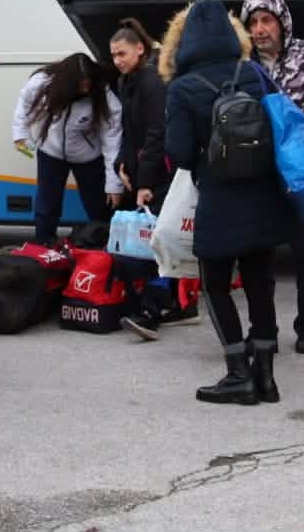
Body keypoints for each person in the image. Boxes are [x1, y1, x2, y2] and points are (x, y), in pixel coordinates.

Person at [163, 0, 295, 405]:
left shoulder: (183, 88)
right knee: (260, 285)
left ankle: (238, 374)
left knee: (216, 286)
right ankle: (267, 377)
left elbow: (179, 153)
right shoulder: (255, 73)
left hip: (218, 200)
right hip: (264, 197)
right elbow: (281, 124)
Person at [241, 0, 304, 355]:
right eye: (253, 22)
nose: (260, 29)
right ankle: (264, 330)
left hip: (300, 173)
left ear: (282, 22)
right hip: (258, 174)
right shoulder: (242, 64)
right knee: (259, 256)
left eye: (267, 20)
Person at [110, 17, 196, 340]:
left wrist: (145, 182)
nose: (117, 61)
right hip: (144, 173)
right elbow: (129, 132)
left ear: (139, 50)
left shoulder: (152, 82)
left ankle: (151, 312)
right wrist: (121, 163)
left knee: (157, 244)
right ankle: (178, 306)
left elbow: (157, 133)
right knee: (156, 242)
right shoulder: (128, 82)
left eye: (122, 54)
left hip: (161, 176)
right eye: (113, 55)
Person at [12, 53, 123, 241]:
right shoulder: (41, 84)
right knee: (47, 205)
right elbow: (23, 109)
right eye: (80, 85)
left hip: (88, 157)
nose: (85, 88)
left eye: (88, 83)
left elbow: (112, 140)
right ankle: (44, 245)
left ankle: (104, 246)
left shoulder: (103, 95)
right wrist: (21, 136)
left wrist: (114, 186)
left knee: (98, 206)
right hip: (50, 152)